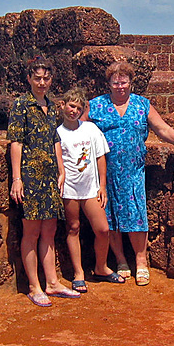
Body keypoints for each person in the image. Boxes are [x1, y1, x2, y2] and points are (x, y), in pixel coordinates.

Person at [85, 61, 174, 286]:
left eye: (124, 82)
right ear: (109, 84)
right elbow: (77, 128)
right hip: (104, 174)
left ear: (131, 83)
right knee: (110, 217)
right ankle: (121, 260)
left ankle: (141, 261)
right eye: (115, 82)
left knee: (136, 216)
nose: (120, 87)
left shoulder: (142, 105)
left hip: (133, 172)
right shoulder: (96, 105)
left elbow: (162, 129)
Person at [7, 56, 80, 307]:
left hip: (50, 177)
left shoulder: (51, 106)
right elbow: (15, 142)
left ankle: (51, 282)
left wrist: (61, 170)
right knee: (32, 231)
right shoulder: (21, 106)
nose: (41, 82)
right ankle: (34, 285)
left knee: (49, 230)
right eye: (37, 78)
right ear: (29, 79)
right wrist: (17, 178)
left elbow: (55, 140)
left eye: (45, 78)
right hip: (30, 175)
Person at [57, 87, 125, 292]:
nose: (74, 111)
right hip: (69, 188)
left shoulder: (90, 129)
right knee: (73, 227)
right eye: (71, 106)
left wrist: (102, 186)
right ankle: (78, 273)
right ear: (63, 105)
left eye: (78, 108)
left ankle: (101, 267)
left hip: (90, 188)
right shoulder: (57, 133)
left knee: (103, 229)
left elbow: (100, 157)